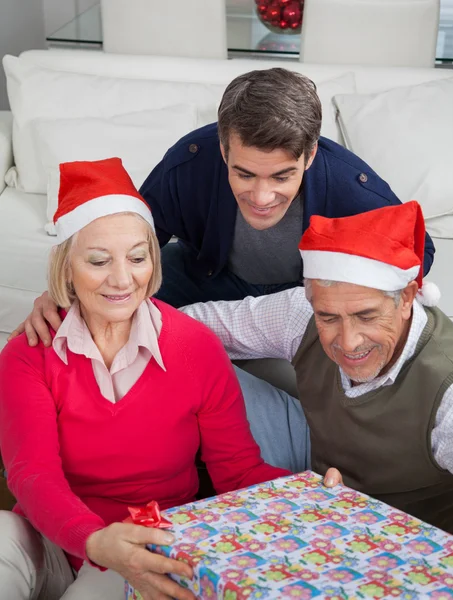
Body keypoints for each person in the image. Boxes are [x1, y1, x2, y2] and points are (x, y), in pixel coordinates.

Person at [0, 158, 292, 600]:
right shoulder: (27, 354)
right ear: (66, 269)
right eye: (99, 261)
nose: (122, 279)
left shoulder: (197, 348)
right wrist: (91, 539)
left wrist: (306, 497)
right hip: (53, 534)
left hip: (147, 539)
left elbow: (237, 471)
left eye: (137, 258)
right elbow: (32, 474)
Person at [9, 67, 435, 346]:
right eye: (245, 174)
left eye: (282, 176)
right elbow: (131, 237)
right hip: (205, 275)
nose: (263, 197)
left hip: (299, 294)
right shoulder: (189, 162)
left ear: (309, 156)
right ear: (223, 149)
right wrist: (61, 293)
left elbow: (421, 251)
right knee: (85, 313)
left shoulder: (347, 181)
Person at [182, 201, 453, 540]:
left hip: (392, 544)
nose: (348, 343)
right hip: (314, 455)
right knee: (190, 352)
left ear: (407, 297)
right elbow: (192, 325)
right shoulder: (301, 311)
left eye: (366, 316)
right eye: (328, 318)